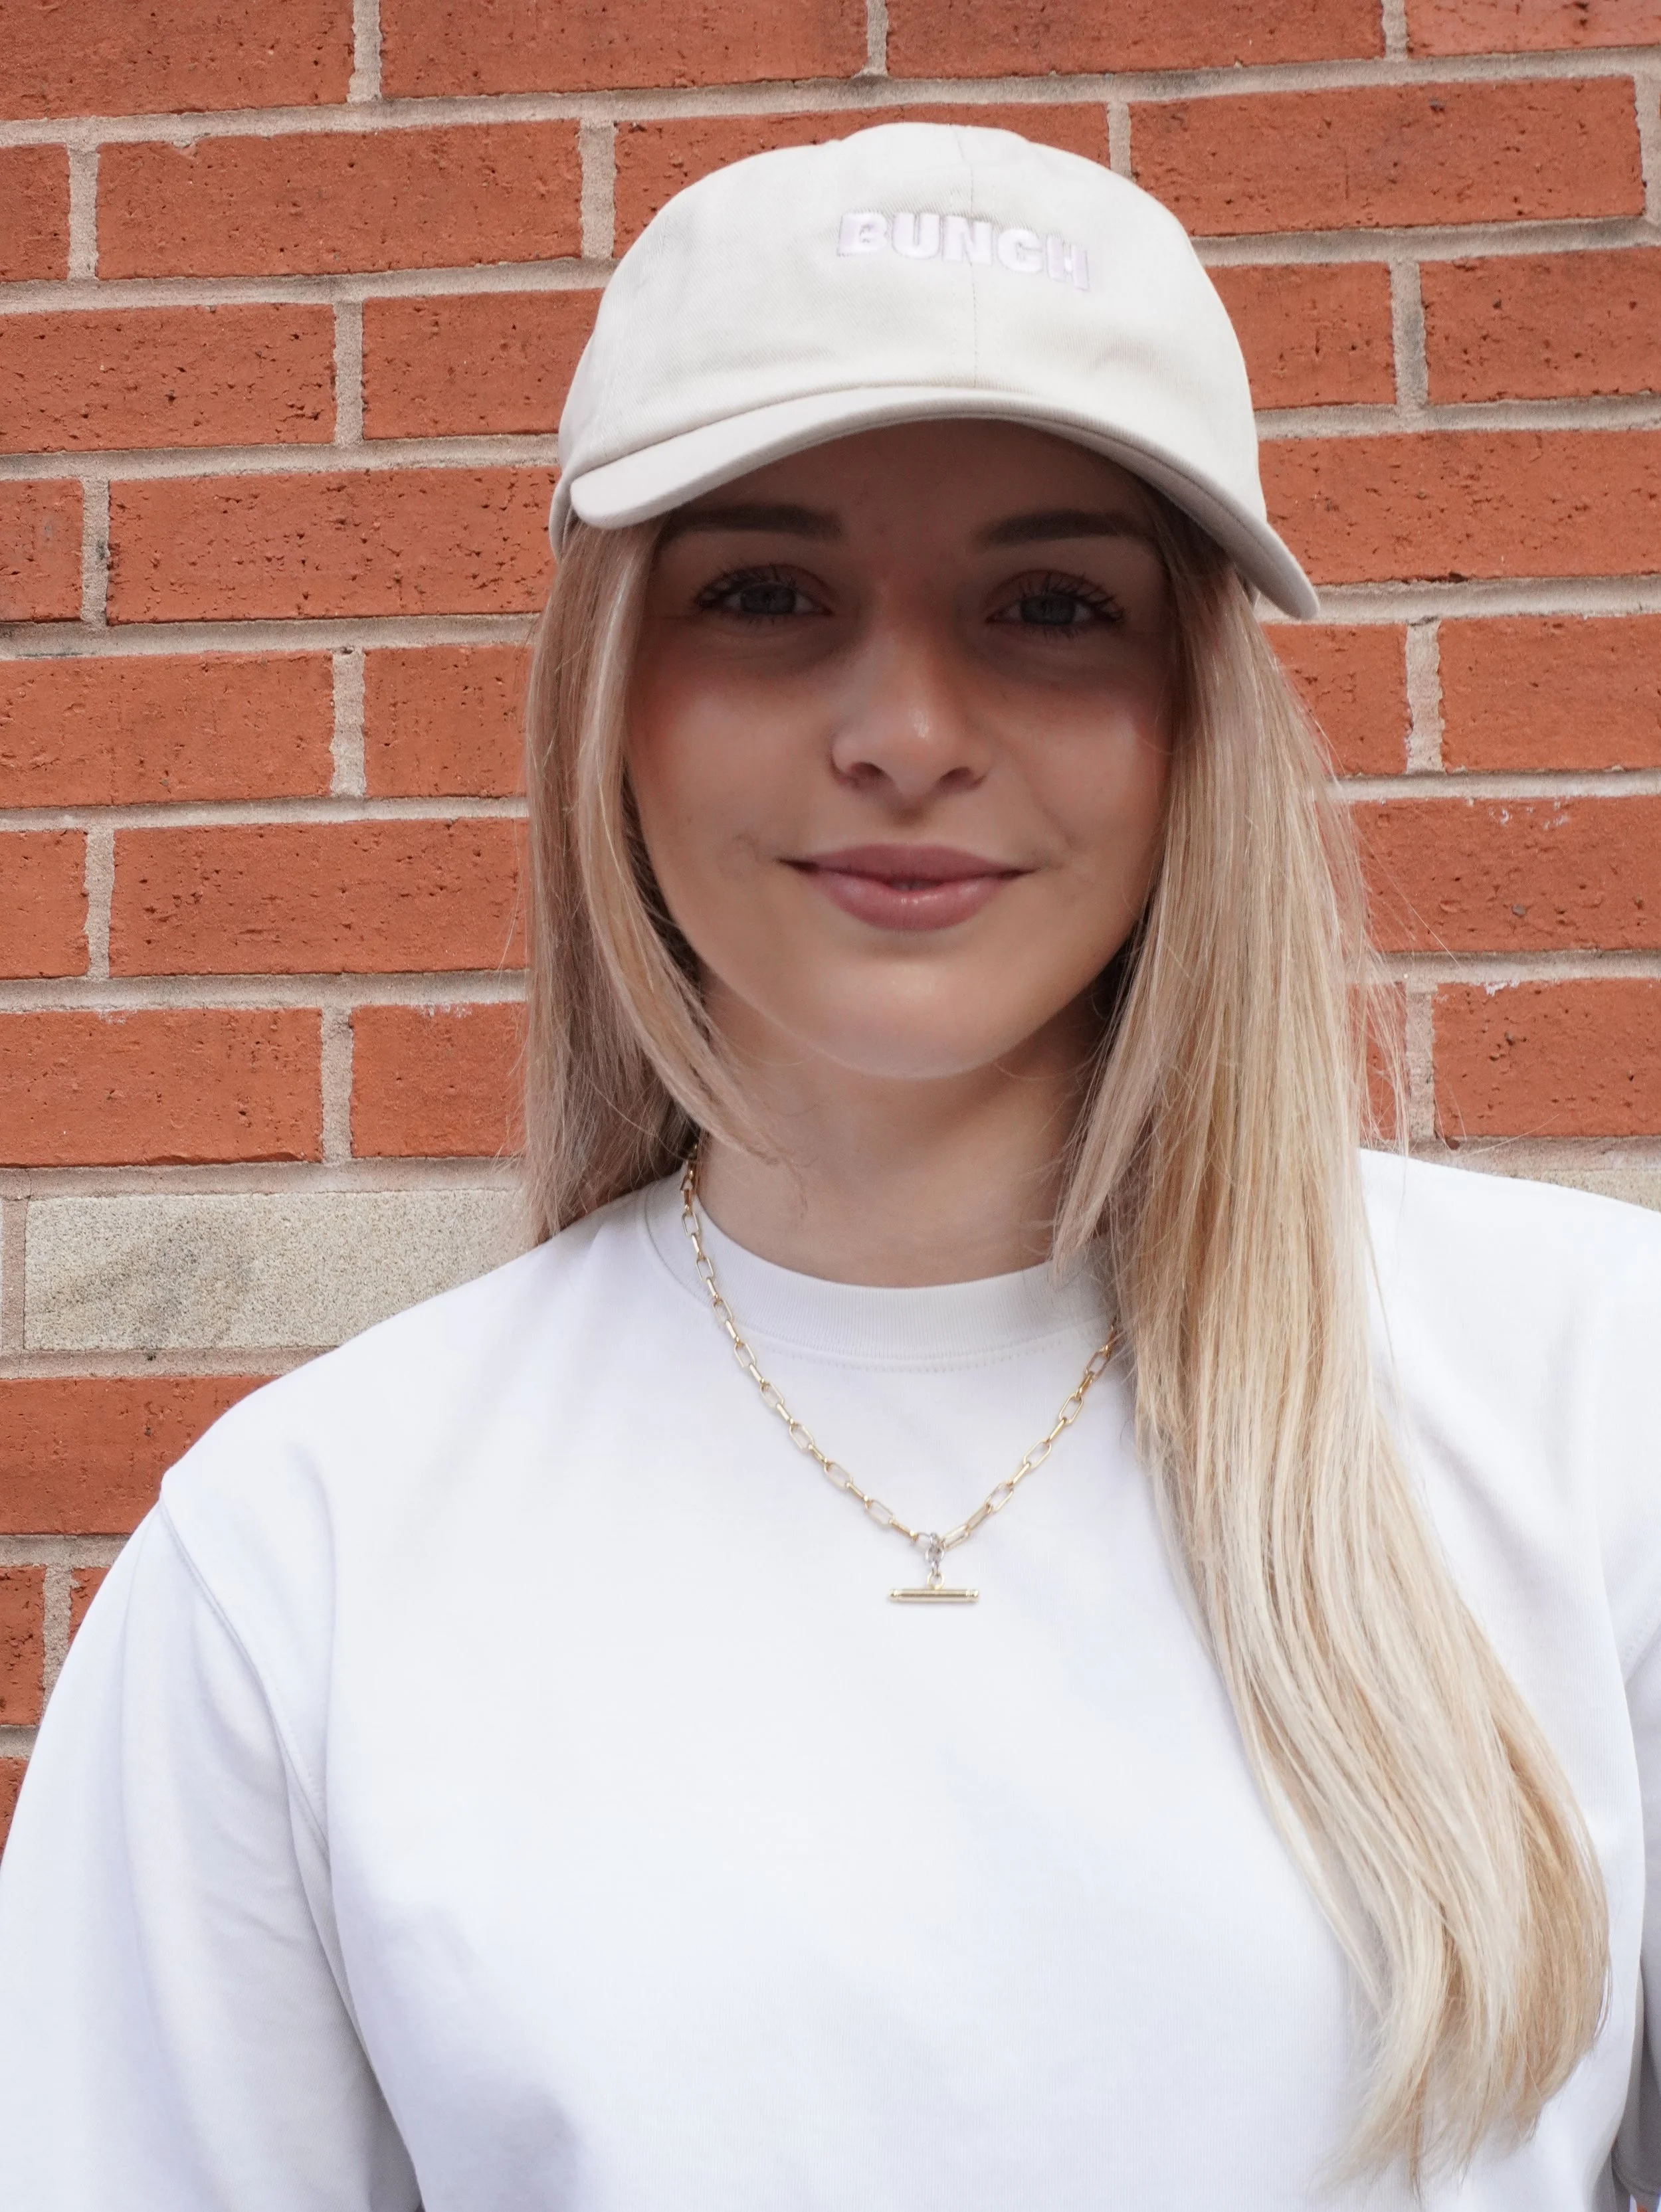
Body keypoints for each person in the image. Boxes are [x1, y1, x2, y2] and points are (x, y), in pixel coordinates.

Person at [0, 120, 1656, 2212]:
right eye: (767, 595)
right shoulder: (303, 1555)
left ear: (1189, 720)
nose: (901, 727)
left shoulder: (1598, 1409)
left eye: (1048, 604)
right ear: (613, 702)